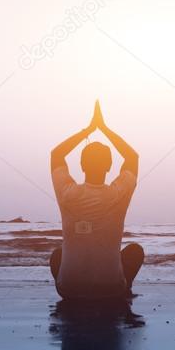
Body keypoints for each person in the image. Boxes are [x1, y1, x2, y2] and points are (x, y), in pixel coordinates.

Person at [50, 101, 143, 299]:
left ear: (82, 165)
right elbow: (132, 157)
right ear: (110, 166)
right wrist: (104, 129)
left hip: (69, 290)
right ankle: (125, 288)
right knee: (134, 251)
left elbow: (56, 154)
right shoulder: (118, 192)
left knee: (57, 254)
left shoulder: (67, 192)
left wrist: (89, 129)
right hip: (110, 290)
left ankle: (74, 286)